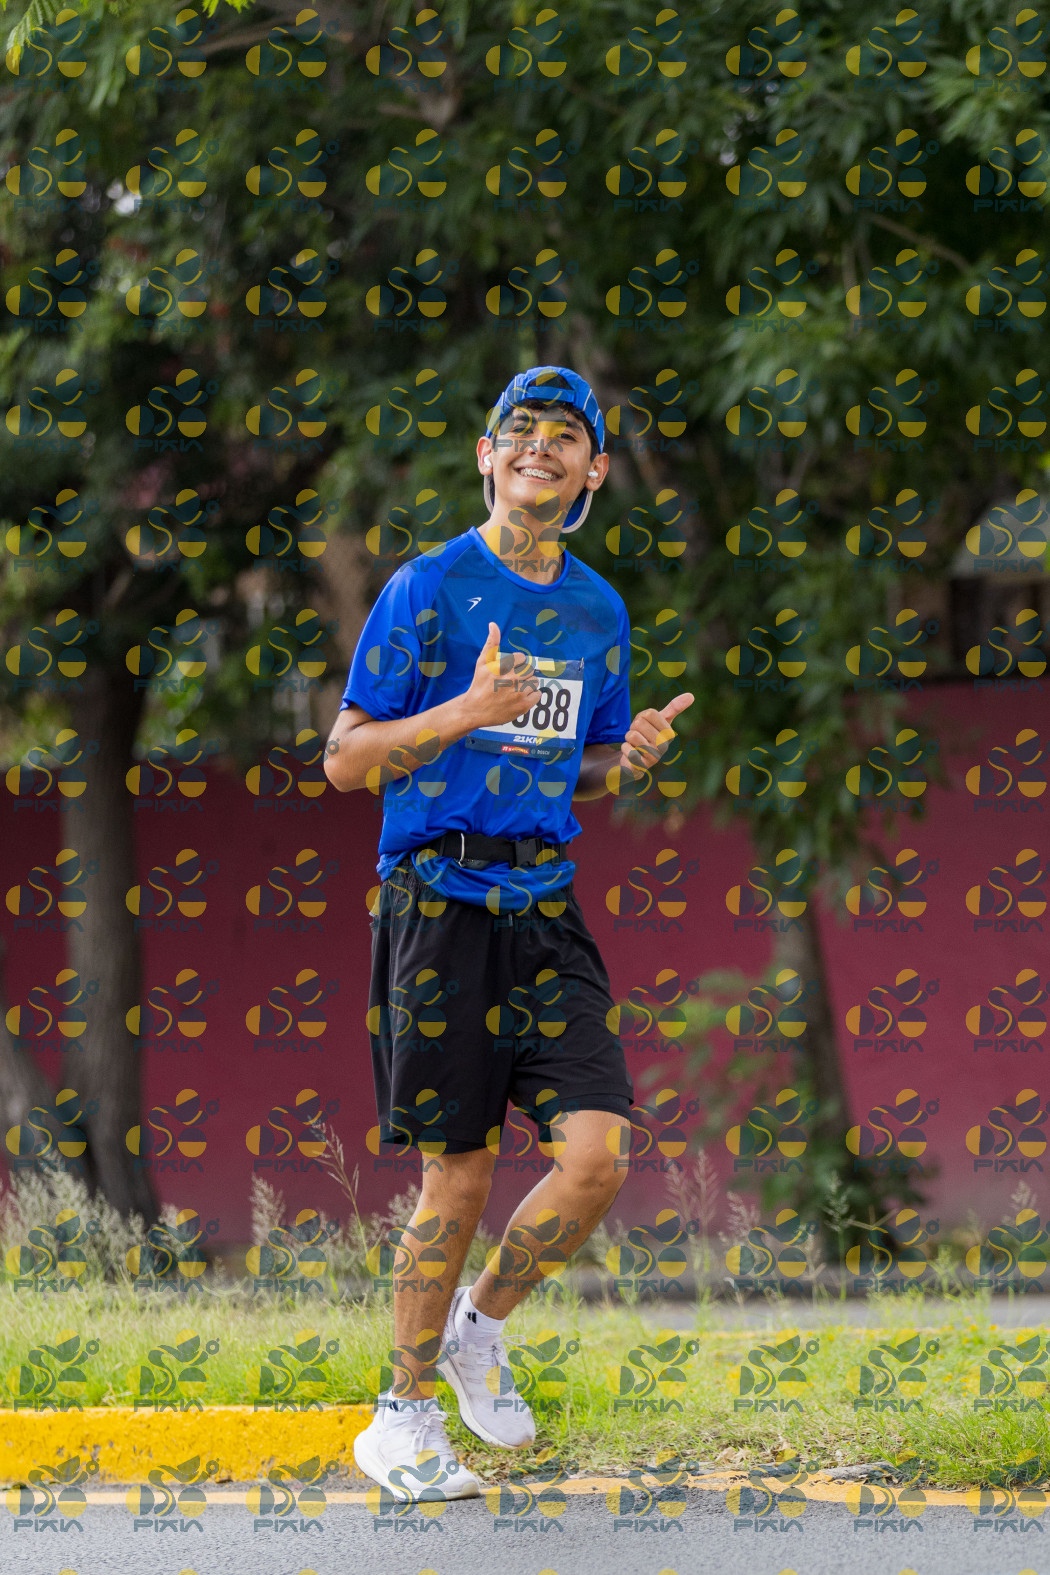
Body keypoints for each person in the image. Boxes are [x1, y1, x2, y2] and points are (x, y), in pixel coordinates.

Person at [324, 365, 693, 1501]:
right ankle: (401, 1418)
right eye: (519, 429)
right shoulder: (427, 587)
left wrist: (624, 758)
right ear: (487, 456)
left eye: (564, 435)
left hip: (546, 907)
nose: (540, 445)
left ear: (593, 472)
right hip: (438, 905)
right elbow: (345, 758)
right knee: (462, 1174)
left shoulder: (597, 611)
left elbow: (581, 758)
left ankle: (479, 1329)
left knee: (597, 1156)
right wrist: (463, 713)